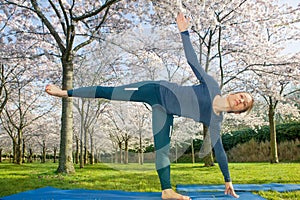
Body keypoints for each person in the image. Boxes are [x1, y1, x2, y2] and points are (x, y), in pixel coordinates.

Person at [46, 12, 253, 200]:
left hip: (164, 111)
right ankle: (64, 92)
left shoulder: (215, 120)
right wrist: (184, 32)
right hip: (155, 90)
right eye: (242, 96)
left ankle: (167, 191)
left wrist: (228, 180)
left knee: (163, 148)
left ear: (239, 111)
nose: (241, 100)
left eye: (244, 104)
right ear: (235, 93)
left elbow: (220, 151)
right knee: (109, 92)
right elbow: (193, 62)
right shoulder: (212, 85)